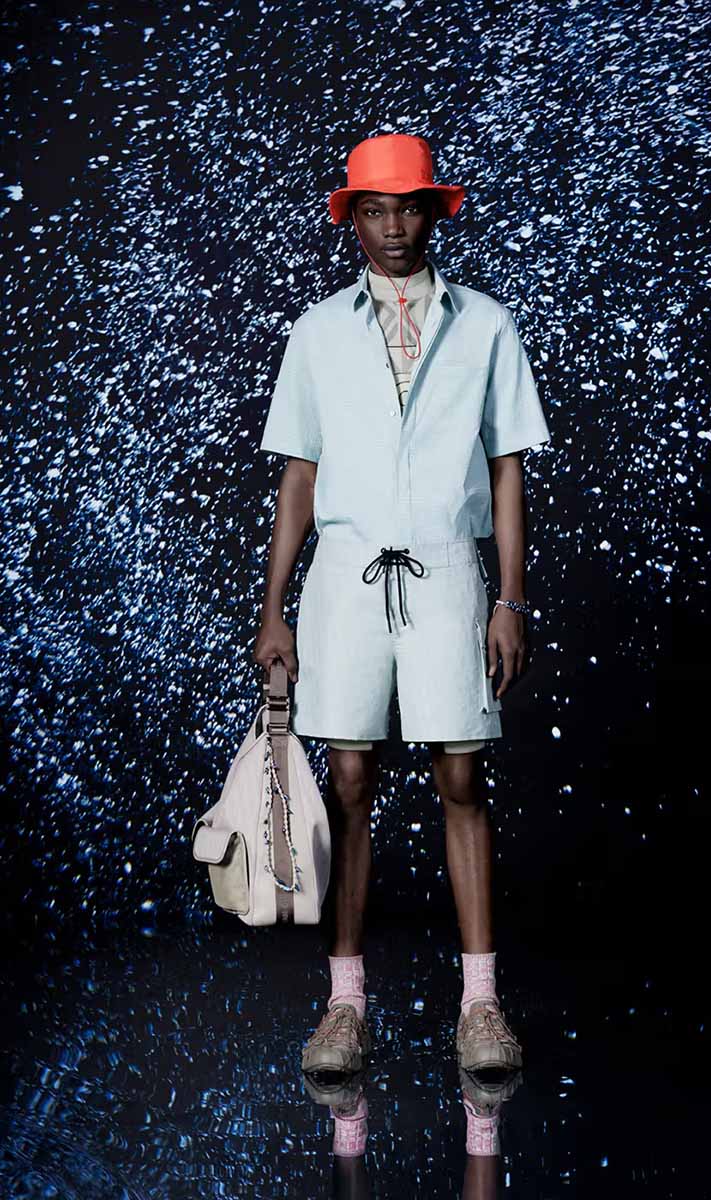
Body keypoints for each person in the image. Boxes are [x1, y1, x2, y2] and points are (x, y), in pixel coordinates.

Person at [254, 134, 551, 1095]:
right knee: (348, 779)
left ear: (434, 212)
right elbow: (299, 476)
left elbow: (506, 469)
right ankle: (344, 1004)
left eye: (410, 207)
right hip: (344, 576)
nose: (395, 227)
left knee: (461, 773)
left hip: (447, 570)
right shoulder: (317, 333)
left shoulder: (487, 325)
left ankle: (480, 1004)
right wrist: (274, 612)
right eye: (376, 210)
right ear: (353, 219)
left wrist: (509, 597)